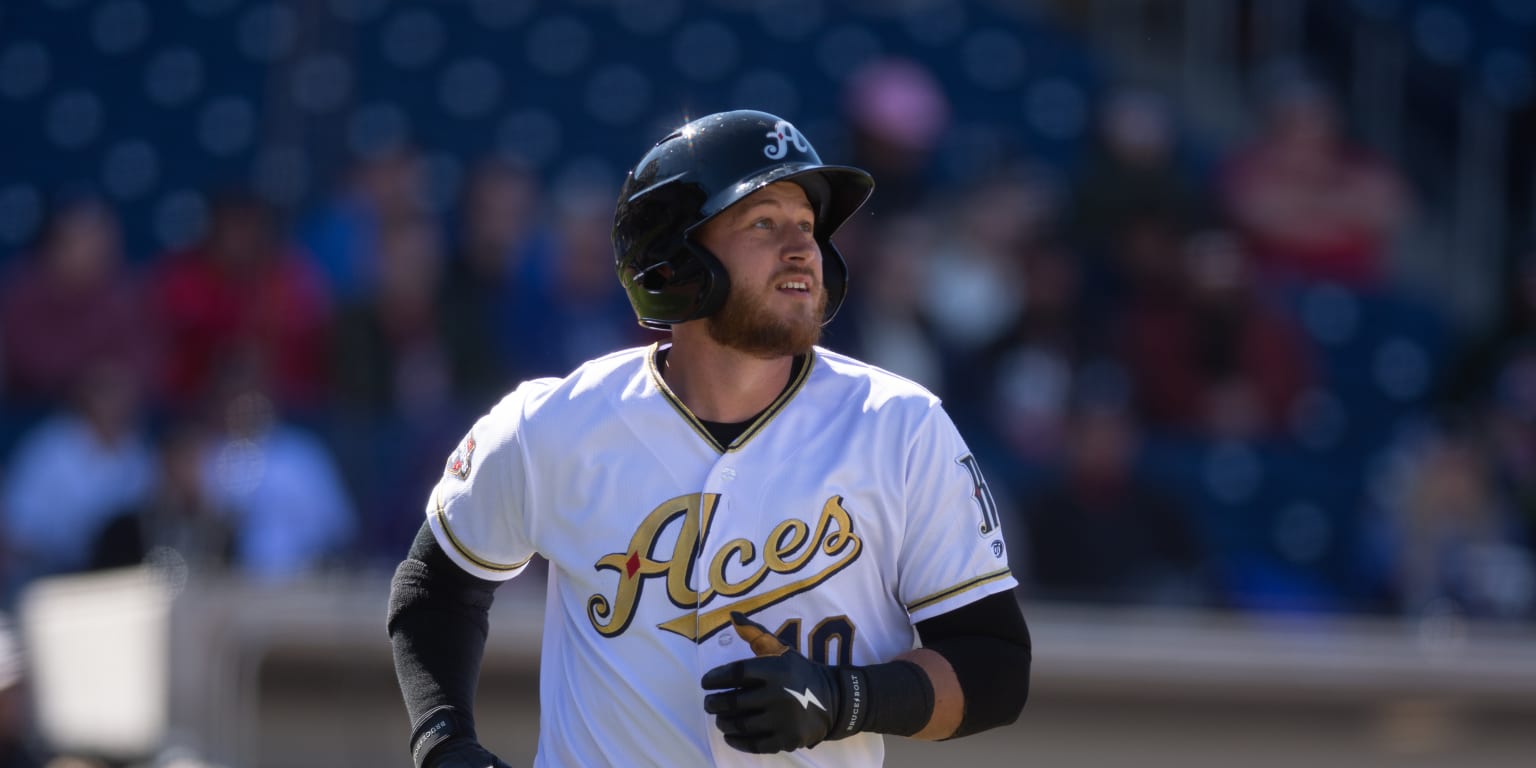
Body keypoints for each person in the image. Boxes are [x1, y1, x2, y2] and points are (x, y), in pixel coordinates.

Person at [387, 110, 1031, 767]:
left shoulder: (901, 427)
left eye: (807, 225)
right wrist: (442, 741)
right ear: (677, 252)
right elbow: (434, 586)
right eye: (763, 223)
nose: (801, 247)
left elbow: (994, 666)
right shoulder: (554, 422)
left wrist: (848, 699)